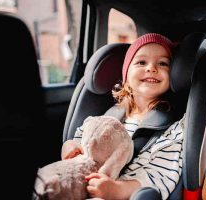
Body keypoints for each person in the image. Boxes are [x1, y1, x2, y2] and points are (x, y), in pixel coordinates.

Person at [61, 33, 185, 200]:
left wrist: (116, 190)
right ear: (126, 75)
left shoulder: (174, 129)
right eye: (141, 62)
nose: (151, 68)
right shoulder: (110, 115)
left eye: (163, 63)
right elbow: (83, 138)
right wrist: (70, 146)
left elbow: (160, 175)